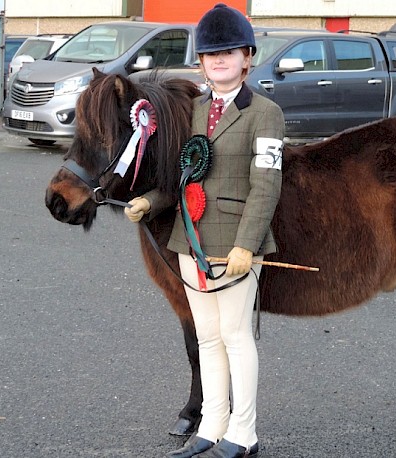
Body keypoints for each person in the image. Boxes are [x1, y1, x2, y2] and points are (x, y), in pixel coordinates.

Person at [124, 4, 284, 457]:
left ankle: (245, 432)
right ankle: (212, 427)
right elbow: (183, 176)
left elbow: (266, 185)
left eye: (229, 52)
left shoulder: (266, 113)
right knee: (209, 337)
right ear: (201, 61)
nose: (219, 60)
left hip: (234, 247)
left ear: (247, 57)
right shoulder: (192, 111)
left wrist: (245, 246)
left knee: (235, 336)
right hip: (189, 241)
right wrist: (150, 202)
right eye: (211, 53)